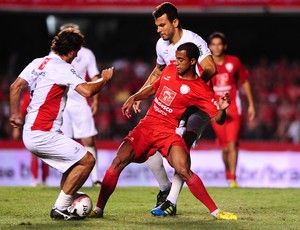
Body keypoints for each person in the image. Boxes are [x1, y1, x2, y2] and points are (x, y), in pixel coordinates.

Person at [89, 42, 237, 220]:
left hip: (169, 132)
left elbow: (219, 120)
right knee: (118, 162)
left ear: (192, 61)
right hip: (147, 126)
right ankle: (98, 210)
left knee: (183, 169)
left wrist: (222, 108)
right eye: (176, 58)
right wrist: (135, 96)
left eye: (181, 60)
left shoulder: (200, 89)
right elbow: (153, 88)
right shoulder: (170, 69)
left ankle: (216, 211)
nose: (176, 62)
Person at [9, 28, 114, 220]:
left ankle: (67, 202)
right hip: (43, 133)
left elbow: (15, 87)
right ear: (73, 51)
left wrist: (15, 114)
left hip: (32, 131)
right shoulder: (63, 68)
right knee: (88, 160)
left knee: (72, 165)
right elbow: (87, 91)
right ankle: (60, 208)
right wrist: (104, 80)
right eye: (77, 51)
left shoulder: (38, 63)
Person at [133, 2, 218, 216]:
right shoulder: (161, 46)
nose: (159, 30)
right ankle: (165, 188)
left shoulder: (193, 41)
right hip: (172, 107)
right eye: (157, 26)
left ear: (175, 22)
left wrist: (191, 91)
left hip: (197, 107)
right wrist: (139, 94)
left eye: (162, 25)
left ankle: (170, 201)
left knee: (182, 148)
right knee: (150, 146)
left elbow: (210, 68)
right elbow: (158, 71)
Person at [208, 32, 255, 188]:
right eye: (213, 44)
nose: (216, 47)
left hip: (234, 107)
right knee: (225, 147)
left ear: (224, 46)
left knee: (233, 144)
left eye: (219, 44)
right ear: (209, 47)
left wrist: (251, 104)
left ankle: (233, 179)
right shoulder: (207, 66)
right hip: (216, 110)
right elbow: (204, 89)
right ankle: (228, 174)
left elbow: (245, 81)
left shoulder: (234, 62)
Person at [59, 23, 102, 187]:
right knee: (65, 141)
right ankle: (67, 178)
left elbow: (94, 76)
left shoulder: (86, 54)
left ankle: (95, 178)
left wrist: (95, 100)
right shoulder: (55, 54)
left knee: (88, 139)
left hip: (80, 101)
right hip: (62, 102)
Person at [11, 90, 49, 186]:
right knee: (34, 154)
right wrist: (16, 128)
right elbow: (21, 112)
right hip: (32, 128)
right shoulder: (28, 96)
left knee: (46, 155)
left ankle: (44, 181)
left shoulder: (46, 92)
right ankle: (36, 180)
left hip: (47, 126)